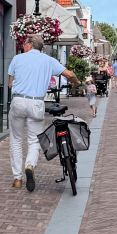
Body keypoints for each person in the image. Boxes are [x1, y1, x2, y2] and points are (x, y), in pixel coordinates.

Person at [7, 34, 82, 192]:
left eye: (24, 43)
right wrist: (76, 84)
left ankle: (17, 179)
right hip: (37, 102)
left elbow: (9, 83)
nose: (23, 46)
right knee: (34, 140)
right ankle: (30, 165)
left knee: (16, 139)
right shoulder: (48, 60)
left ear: (29, 44)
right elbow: (69, 74)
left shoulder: (17, 59)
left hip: (18, 101)